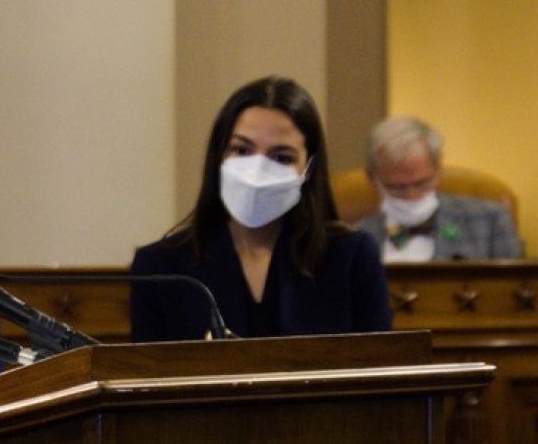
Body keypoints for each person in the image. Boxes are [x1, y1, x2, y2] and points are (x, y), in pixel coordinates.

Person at [130, 75, 392, 341]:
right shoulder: (161, 267)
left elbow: (379, 367)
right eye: (242, 151)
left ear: (309, 169)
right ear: (219, 155)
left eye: (281, 157)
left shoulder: (351, 257)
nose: (257, 170)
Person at [356, 114, 522, 262]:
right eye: (396, 188)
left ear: (438, 171)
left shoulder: (489, 221)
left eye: (421, 184)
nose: (411, 197)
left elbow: (515, 292)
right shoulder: (357, 237)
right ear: (372, 178)